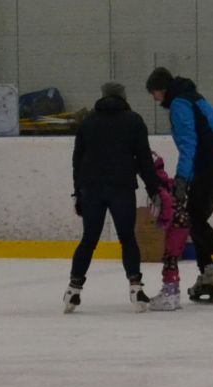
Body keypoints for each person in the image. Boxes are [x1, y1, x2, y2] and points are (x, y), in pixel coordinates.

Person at [145, 67, 213, 304]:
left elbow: (189, 143)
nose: (154, 99)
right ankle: (207, 276)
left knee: (193, 218)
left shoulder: (179, 104)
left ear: (161, 89)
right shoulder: (193, 97)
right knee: (193, 218)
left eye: (153, 93)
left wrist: (182, 178)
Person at [66, 81, 160, 314]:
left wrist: (78, 192)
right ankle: (136, 288)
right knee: (127, 238)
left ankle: (73, 290)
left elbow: (77, 160)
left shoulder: (88, 122)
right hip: (122, 188)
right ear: (123, 97)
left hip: (91, 188)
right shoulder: (134, 121)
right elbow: (144, 159)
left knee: (89, 239)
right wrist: (154, 190)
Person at [144, 149, 190, 310]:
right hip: (183, 222)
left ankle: (170, 293)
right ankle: (174, 293)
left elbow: (167, 202)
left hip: (175, 224)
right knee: (172, 258)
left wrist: (163, 221)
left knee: (170, 258)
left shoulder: (157, 184)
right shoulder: (167, 180)